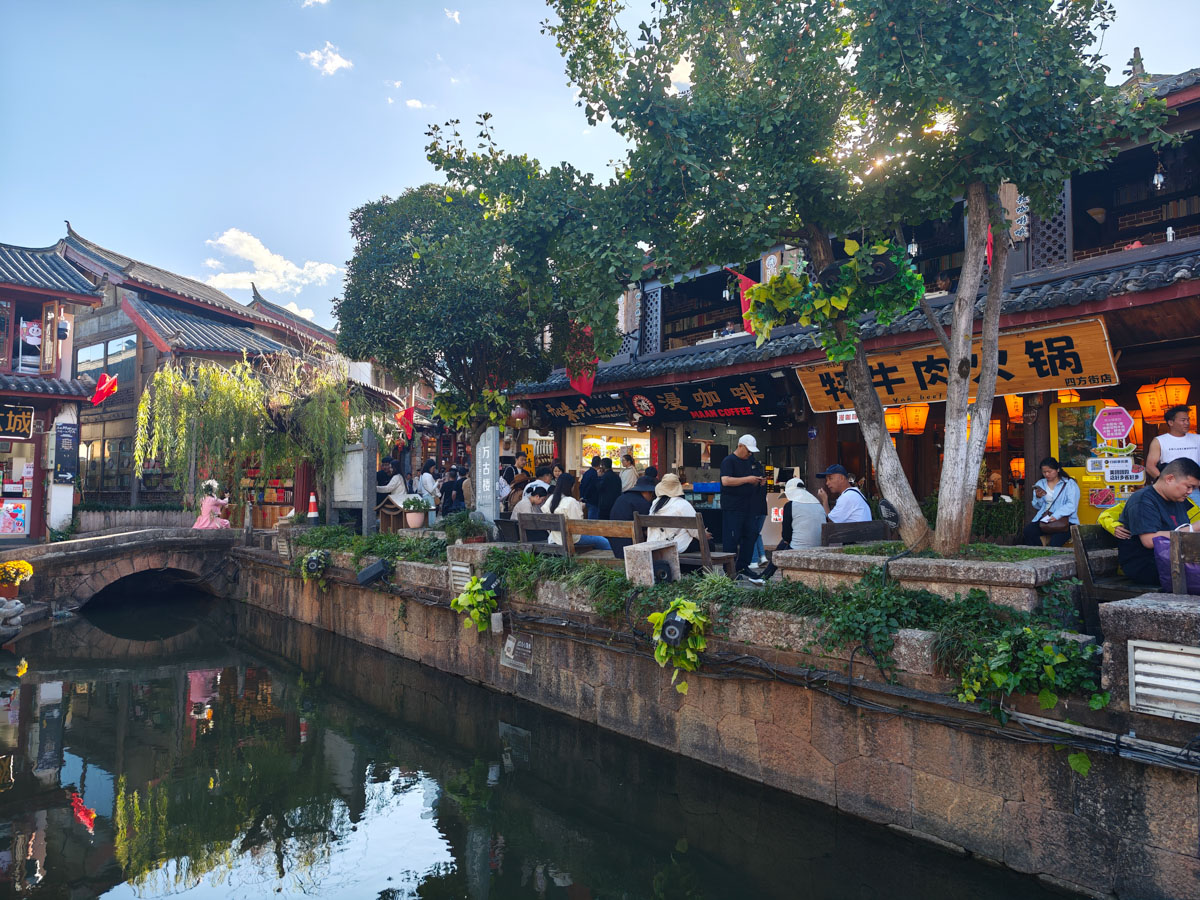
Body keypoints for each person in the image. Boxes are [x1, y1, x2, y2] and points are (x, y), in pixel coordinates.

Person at [1117, 457, 1200, 585]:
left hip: (1175, 560)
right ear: (1170, 479)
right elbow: (1149, 540)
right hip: (1147, 566)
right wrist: (1193, 528)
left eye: (1194, 488)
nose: (1190, 492)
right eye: (1189, 486)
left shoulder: (1179, 500)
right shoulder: (1143, 500)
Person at [760, 478, 828, 580]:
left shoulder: (790, 505)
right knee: (783, 544)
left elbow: (786, 535)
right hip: (819, 547)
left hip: (798, 549)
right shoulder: (818, 505)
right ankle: (764, 576)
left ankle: (764, 577)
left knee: (783, 544)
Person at [721, 434, 766, 583]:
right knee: (732, 538)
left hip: (748, 505)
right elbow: (726, 481)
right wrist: (747, 479)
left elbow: (750, 479)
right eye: (748, 450)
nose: (750, 454)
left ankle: (743, 566)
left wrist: (758, 481)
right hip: (732, 506)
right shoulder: (728, 461)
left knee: (751, 534)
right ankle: (729, 570)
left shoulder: (750, 462)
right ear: (740, 446)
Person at [1146, 405, 1200, 506]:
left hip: (1194, 490)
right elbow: (1150, 467)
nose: (1187, 423)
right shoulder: (1159, 441)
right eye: (1183, 420)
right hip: (1171, 491)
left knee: (1197, 514)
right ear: (1171, 422)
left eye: (1188, 420)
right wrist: (1165, 483)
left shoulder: (1197, 439)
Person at [545, 473, 612, 553]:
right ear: (571, 486)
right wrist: (580, 508)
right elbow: (578, 524)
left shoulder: (551, 499)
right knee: (603, 541)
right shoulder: (570, 501)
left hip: (554, 538)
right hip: (571, 538)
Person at [1022, 457, 1080, 547]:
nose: (1046, 474)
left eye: (1049, 471)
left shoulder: (1069, 483)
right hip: (1046, 519)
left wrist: (1056, 516)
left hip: (1066, 521)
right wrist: (1038, 497)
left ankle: (1048, 553)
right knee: (1028, 531)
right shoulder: (1040, 483)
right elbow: (1037, 507)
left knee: (1054, 543)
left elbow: (1071, 505)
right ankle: (1039, 552)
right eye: (1044, 472)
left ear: (1057, 469)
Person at [646, 474, 707, 553]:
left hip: (653, 544)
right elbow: (695, 531)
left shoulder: (655, 503)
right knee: (709, 544)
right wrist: (705, 534)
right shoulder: (683, 504)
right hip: (676, 546)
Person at [608, 474, 656, 558]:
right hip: (632, 548)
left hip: (617, 547)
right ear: (648, 492)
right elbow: (648, 529)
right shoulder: (643, 503)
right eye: (652, 494)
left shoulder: (622, 498)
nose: (652, 497)